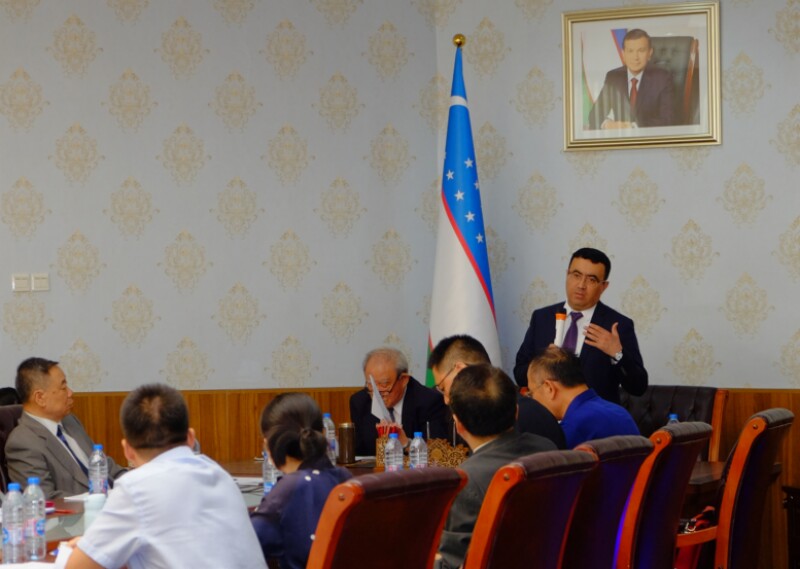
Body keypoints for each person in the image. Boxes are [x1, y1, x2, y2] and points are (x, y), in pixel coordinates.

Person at [63, 383, 266, 569]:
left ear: (127, 450)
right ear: (191, 438)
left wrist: (92, 547)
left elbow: (78, 567)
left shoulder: (135, 488)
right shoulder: (220, 476)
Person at [435, 364, 556, 569]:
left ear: (458, 424)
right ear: (516, 412)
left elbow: (452, 563)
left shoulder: (467, 480)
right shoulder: (547, 448)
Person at [513, 247, 648, 404]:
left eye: (591, 280)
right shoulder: (542, 318)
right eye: (576, 275)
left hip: (594, 416)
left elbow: (638, 387)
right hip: (545, 416)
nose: (581, 285)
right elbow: (519, 374)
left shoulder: (617, 325)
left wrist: (617, 354)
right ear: (567, 275)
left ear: (603, 286)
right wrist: (543, 364)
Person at [251, 393, 352, 569]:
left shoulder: (288, 491)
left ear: (268, 445)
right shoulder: (344, 478)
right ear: (321, 433)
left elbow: (245, 546)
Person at [5, 357, 125, 499]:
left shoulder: (69, 421)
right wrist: (98, 499)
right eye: (63, 388)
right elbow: (45, 498)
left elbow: (106, 467)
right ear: (40, 398)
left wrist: (135, 480)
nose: (70, 393)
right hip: (85, 510)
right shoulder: (22, 442)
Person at [428, 334, 566, 449]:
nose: (446, 400)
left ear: (461, 370)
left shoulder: (509, 414)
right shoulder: (519, 406)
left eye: (443, 388)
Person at [529, 346, 639, 448]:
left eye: (531, 393)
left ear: (549, 388)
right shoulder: (620, 412)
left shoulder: (572, 428)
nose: (532, 399)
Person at [349, 347, 448, 456]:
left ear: (404, 380)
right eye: (371, 384)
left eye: (384, 384)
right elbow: (359, 453)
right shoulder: (359, 402)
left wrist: (406, 443)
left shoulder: (429, 401)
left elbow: (437, 453)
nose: (377, 393)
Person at [588, 29, 674, 130]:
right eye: (630, 51)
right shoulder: (613, 77)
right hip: (620, 138)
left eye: (641, 51)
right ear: (623, 54)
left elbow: (669, 120)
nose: (635, 57)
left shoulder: (663, 78)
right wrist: (607, 124)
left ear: (650, 53)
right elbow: (594, 115)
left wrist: (632, 127)